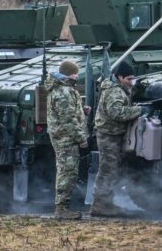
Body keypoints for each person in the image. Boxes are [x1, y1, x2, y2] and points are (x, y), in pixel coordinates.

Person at [90, 62, 142, 217]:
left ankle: (106, 203)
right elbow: (116, 113)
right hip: (109, 136)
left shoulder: (119, 89)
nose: (131, 82)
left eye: (133, 78)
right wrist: (138, 110)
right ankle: (99, 205)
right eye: (128, 79)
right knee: (108, 171)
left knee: (112, 170)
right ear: (120, 77)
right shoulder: (115, 92)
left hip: (112, 134)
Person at [46, 59, 88, 220]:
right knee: (67, 172)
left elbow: (67, 113)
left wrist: (82, 111)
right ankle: (62, 208)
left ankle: (63, 207)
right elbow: (67, 120)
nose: (77, 77)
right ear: (70, 74)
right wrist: (81, 138)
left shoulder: (62, 89)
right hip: (66, 138)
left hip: (63, 136)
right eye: (75, 74)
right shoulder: (64, 92)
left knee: (66, 170)